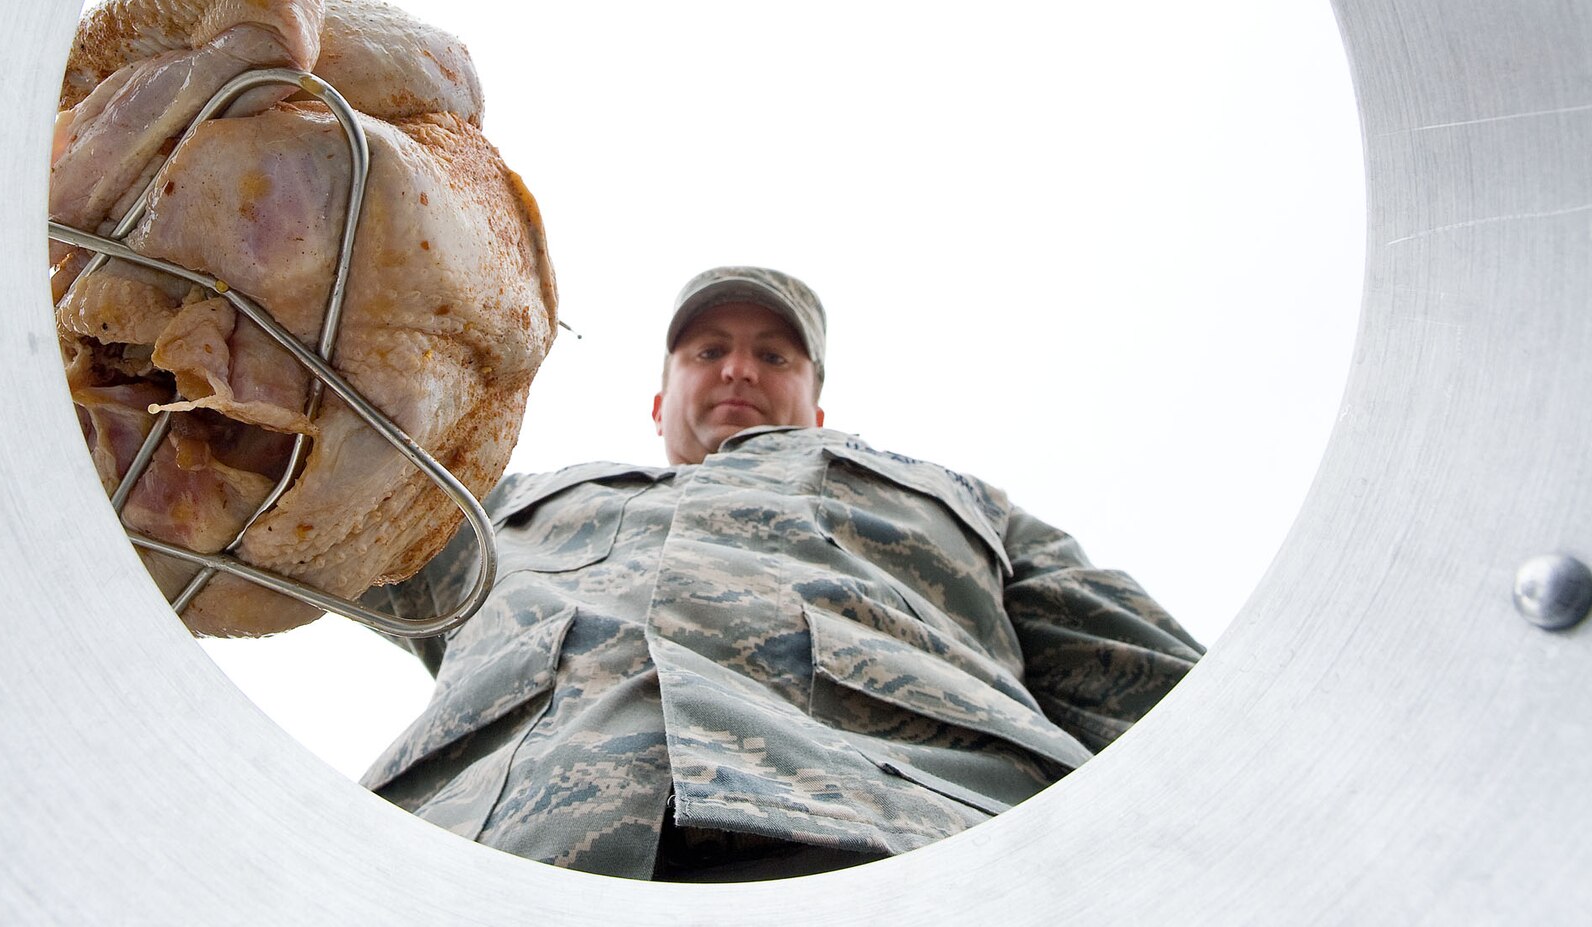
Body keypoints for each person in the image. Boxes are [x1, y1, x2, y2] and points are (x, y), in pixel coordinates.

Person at [360, 266, 1202, 881]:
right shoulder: (496, 503)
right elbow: (290, 518)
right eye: (708, 349)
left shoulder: (966, 505)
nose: (738, 369)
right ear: (659, 401)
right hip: (475, 865)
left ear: (817, 405)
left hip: (915, 860)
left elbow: (1174, 700)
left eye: (774, 354)